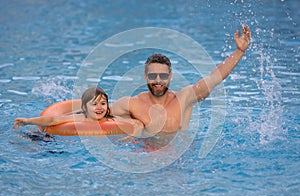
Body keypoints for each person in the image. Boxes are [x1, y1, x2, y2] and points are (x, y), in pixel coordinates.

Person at [111, 25, 251, 138]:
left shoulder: (184, 99)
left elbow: (213, 78)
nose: (158, 81)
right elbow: (96, 113)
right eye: (153, 76)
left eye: (163, 76)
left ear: (170, 76)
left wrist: (239, 51)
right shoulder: (132, 104)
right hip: (145, 159)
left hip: (180, 162)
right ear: (145, 76)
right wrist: (131, 122)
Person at [14, 87, 143, 136]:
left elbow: (137, 124)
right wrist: (28, 121)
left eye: (103, 104)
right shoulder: (81, 117)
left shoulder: (111, 118)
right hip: (54, 138)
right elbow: (53, 120)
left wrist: (131, 137)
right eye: (94, 104)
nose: (100, 107)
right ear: (85, 108)